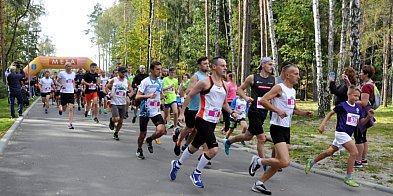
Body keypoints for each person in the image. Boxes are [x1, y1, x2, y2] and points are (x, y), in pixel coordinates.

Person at [170, 56, 238, 188]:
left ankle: (177, 164)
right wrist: (182, 112)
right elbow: (189, 95)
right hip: (202, 118)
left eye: (225, 66)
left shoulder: (225, 85)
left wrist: (233, 112)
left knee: (194, 146)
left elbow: (224, 104)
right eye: (222, 66)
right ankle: (196, 173)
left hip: (213, 121)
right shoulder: (205, 82)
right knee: (213, 149)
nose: (225, 68)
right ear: (214, 67)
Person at [248, 64, 313, 195]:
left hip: (286, 128)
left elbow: (293, 109)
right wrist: (277, 110)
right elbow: (264, 100)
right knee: (284, 162)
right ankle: (258, 160)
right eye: (296, 74)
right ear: (287, 75)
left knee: (278, 163)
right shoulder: (279, 88)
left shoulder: (293, 91)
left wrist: (304, 113)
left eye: (298, 74)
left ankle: (259, 183)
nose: (298, 77)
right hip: (277, 127)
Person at [305, 85, 374, 187]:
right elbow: (330, 113)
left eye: (358, 97)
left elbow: (361, 123)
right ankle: (348, 177)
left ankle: (311, 162)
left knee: (329, 152)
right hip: (341, 133)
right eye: (354, 96)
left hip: (348, 135)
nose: (356, 98)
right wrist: (322, 125)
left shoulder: (358, 108)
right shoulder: (342, 105)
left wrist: (368, 116)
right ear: (348, 94)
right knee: (354, 152)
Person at [223, 57, 276, 159]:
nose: (271, 67)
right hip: (254, 111)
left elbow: (276, 94)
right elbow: (240, 89)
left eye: (272, 65)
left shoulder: (273, 80)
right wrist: (246, 97)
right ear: (263, 65)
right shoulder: (253, 77)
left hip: (264, 112)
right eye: (270, 64)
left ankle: (228, 141)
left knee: (248, 136)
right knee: (261, 138)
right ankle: (262, 163)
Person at [173, 57, 210, 156]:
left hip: (204, 109)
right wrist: (199, 88)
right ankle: (179, 141)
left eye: (208, 63)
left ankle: (189, 146)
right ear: (199, 65)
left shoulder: (210, 77)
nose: (207, 65)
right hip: (193, 108)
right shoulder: (196, 77)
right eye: (204, 63)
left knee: (198, 130)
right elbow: (188, 92)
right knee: (190, 129)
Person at [135, 61, 167, 159]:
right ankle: (139, 149)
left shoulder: (160, 82)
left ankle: (150, 140)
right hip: (145, 110)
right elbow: (137, 97)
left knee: (161, 130)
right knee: (142, 134)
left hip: (155, 111)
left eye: (160, 69)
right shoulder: (145, 81)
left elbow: (159, 94)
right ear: (152, 70)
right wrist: (148, 96)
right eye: (157, 69)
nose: (159, 71)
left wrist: (163, 98)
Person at [354, 65, 376, 168]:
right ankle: (363, 159)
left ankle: (358, 161)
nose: (360, 74)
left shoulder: (367, 86)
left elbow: (363, 102)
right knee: (363, 137)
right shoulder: (370, 83)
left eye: (362, 72)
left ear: (366, 74)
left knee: (359, 137)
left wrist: (352, 101)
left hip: (363, 113)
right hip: (367, 112)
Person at [105, 66, 133, 140]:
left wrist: (130, 95)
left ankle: (116, 133)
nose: (123, 74)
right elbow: (106, 88)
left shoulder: (126, 81)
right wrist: (110, 93)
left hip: (123, 103)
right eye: (122, 72)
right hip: (115, 102)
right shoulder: (114, 80)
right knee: (116, 118)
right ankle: (112, 120)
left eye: (125, 73)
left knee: (121, 121)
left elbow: (131, 90)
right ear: (118, 73)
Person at [57, 62, 76, 129]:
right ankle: (60, 108)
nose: (69, 67)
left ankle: (70, 123)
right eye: (67, 66)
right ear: (65, 67)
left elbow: (73, 82)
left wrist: (74, 88)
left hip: (71, 93)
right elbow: (56, 82)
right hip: (64, 93)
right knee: (64, 109)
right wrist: (61, 85)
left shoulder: (73, 74)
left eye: (70, 66)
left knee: (71, 108)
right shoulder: (61, 73)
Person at [163, 67, 180, 140]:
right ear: (169, 73)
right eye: (171, 72)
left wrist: (177, 94)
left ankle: (175, 126)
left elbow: (176, 90)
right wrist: (168, 87)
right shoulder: (165, 79)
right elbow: (162, 89)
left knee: (175, 112)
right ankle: (163, 126)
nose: (172, 74)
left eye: (174, 73)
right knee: (166, 114)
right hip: (167, 99)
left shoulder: (175, 80)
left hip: (173, 98)